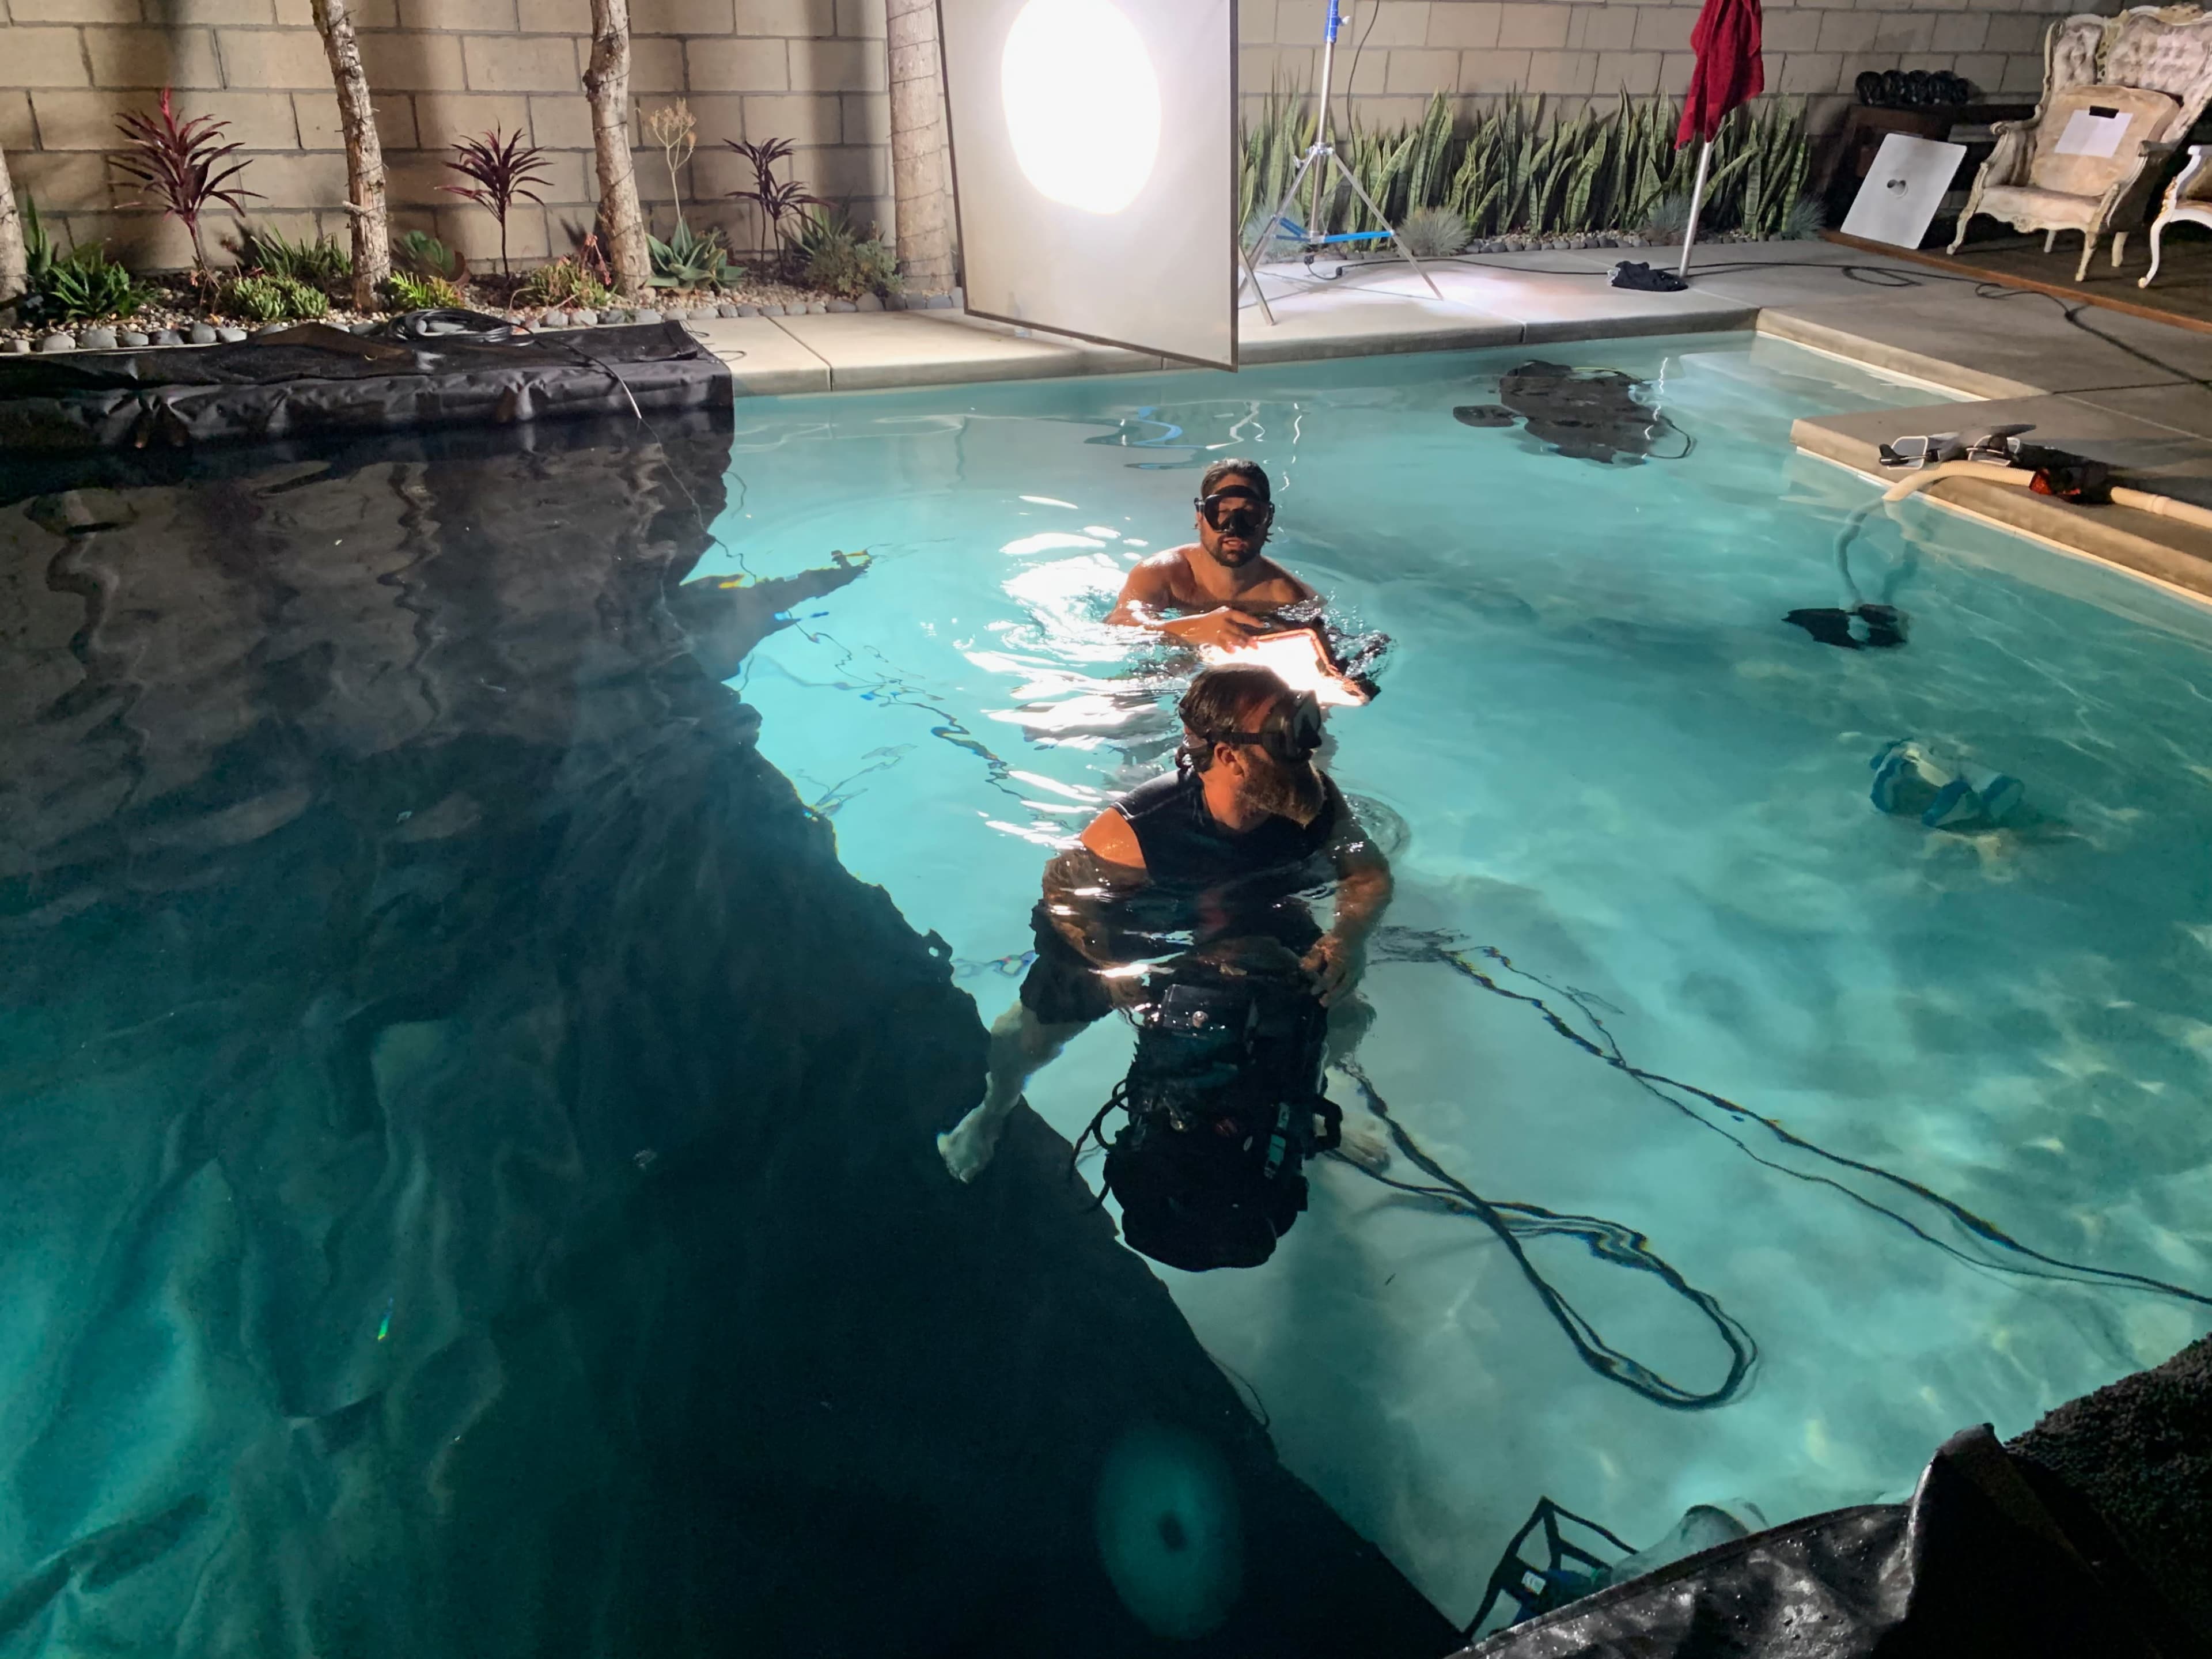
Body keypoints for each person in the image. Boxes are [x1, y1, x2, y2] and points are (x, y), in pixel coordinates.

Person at [938, 662, 1392, 1183]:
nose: (1308, 750)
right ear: (1228, 756)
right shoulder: (1133, 833)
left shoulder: (1312, 800)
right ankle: (992, 1111)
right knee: (1035, 1034)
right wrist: (1110, 968)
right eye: (1286, 739)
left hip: (1251, 915)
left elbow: (1369, 875)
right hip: (1143, 923)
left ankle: (1305, 1099)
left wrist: (1348, 940)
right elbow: (1062, 892)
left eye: (1304, 727)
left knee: (1345, 1015)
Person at [1107, 459, 1318, 652]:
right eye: (1221, 512)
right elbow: (1120, 624)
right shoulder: (1162, 573)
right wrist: (1192, 628)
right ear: (1200, 516)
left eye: (1250, 514)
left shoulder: (1289, 597)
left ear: (1268, 519)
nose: (1234, 528)